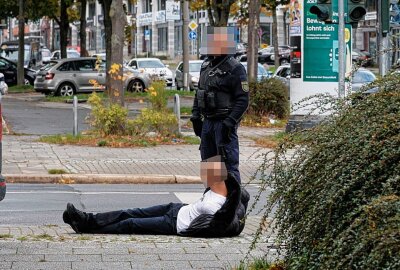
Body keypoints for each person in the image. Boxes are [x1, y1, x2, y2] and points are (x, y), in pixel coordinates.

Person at [63, 156, 250, 237]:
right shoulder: (215, 190)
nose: (204, 177)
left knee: (130, 224)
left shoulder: (220, 208)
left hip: (174, 225)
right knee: (129, 212)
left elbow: (222, 226)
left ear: (219, 179)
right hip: (175, 209)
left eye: (208, 174)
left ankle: (85, 228)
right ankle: (87, 219)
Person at [191, 26, 249, 184]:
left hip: (223, 124)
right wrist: (195, 116)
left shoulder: (235, 68)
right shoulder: (206, 66)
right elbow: (199, 92)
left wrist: (229, 122)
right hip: (208, 123)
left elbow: (243, 99)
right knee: (210, 165)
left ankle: (233, 205)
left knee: (228, 167)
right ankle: (212, 202)